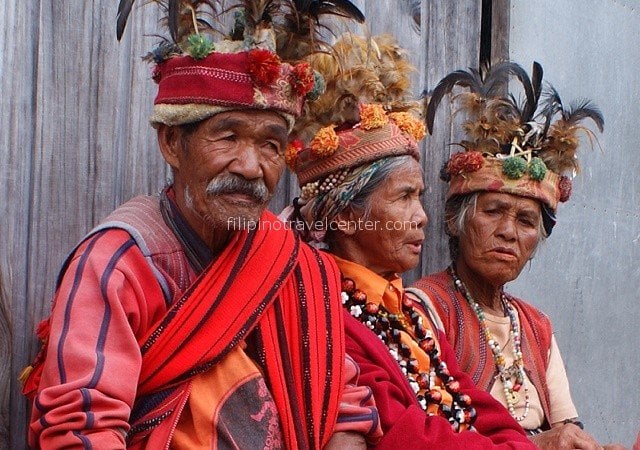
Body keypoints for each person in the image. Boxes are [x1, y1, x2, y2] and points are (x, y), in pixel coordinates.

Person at [21, 1, 382, 448]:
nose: (251, 167)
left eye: (270, 145)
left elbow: (343, 408)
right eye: (228, 137)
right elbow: (81, 427)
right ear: (172, 143)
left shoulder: (293, 266)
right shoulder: (120, 265)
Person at [283, 34, 537, 449]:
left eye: (418, 197)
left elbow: (469, 400)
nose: (421, 217)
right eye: (404, 197)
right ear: (347, 217)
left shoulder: (400, 306)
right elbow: (402, 433)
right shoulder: (325, 312)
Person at [412, 62, 624, 450]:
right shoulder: (425, 309)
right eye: (493, 211)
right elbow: (428, 433)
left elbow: (566, 431)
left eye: (526, 220)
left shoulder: (536, 326)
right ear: (455, 221)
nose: (508, 231)